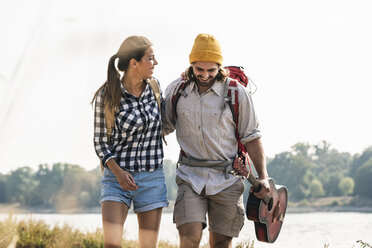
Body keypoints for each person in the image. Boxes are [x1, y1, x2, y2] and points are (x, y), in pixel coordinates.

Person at [162, 33, 270, 248]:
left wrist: (263, 177)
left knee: (221, 243)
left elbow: (252, 137)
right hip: (190, 177)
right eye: (199, 69)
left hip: (227, 179)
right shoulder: (176, 90)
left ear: (219, 66)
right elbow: (164, 127)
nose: (204, 75)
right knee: (189, 236)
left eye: (211, 70)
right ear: (191, 64)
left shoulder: (236, 93)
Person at [92, 35, 168, 248]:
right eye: (151, 58)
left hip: (152, 178)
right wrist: (117, 172)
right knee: (112, 245)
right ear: (134, 63)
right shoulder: (106, 94)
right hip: (116, 179)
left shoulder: (155, 88)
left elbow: (167, 122)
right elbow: (100, 142)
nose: (156, 63)